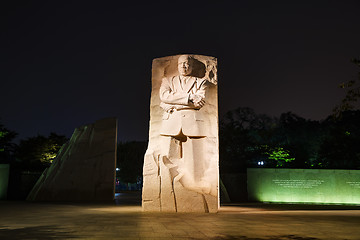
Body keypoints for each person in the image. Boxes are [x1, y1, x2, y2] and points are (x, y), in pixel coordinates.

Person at [159, 55, 216, 196]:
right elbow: (164, 97)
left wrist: (172, 103)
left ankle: (195, 188)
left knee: (195, 161)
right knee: (168, 158)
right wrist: (189, 97)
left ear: (192, 67)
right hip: (171, 124)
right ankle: (171, 188)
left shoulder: (201, 82)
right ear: (177, 66)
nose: (184, 67)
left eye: (187, 64)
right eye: (181, 64)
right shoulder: (167, 80)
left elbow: (199, 102)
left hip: (193, 124)